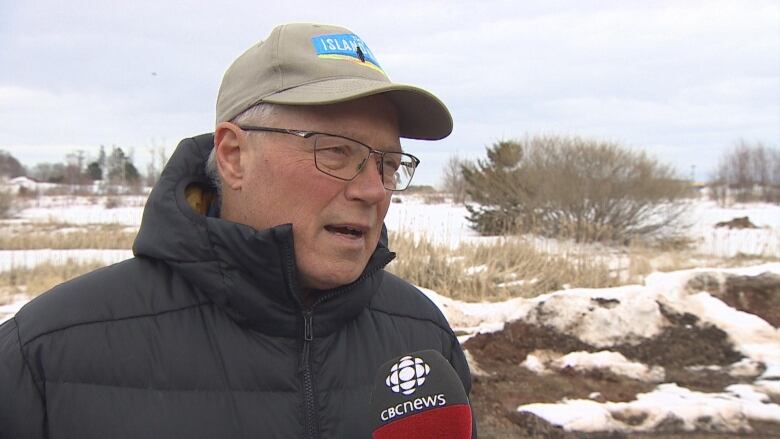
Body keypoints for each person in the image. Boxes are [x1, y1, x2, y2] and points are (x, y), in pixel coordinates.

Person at [0, 23, 474, 438]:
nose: (373, 190)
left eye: (388, 164)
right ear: (233, 156)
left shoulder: (422, 335)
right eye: (335, 151)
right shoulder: (44, 355)